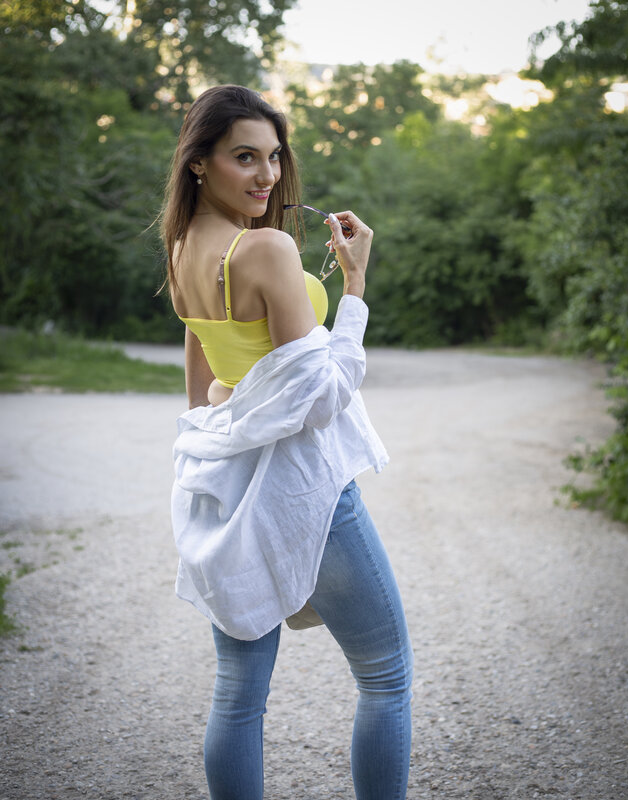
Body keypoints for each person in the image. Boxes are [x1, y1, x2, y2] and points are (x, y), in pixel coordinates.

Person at [161, 84, 413, 800]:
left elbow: (203, 366)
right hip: (305, 487)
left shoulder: (183, 248)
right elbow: (325, 396)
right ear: (199, 162)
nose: (267, 175)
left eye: (273, 157)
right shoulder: (266, 247)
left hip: (231, 483)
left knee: (239, 694)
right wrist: (355, 285)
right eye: (245, 157)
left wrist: (219, 446)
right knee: (386, 676)